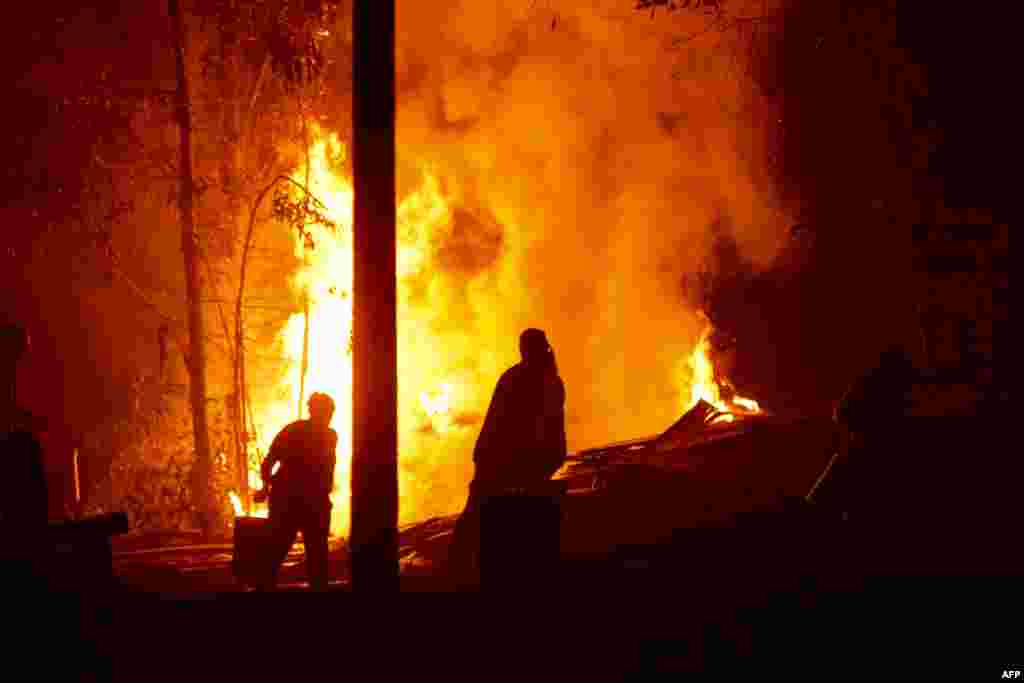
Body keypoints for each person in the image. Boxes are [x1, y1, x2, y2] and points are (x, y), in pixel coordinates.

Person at [447, 328, 567, 578]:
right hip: (503, 460)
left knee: (491, 516)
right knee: (487, 514)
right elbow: (511, 425)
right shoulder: (532, 379)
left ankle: (464, 566)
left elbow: (548, 426)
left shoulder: (530, 379)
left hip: (511, 461)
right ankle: (459, 566)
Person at [257, 391, 338, 591]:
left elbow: (268, 462)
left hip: (295, 500)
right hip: (301, 501)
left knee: (284, 549)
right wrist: (268, 485)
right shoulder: (327, 436)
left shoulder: (302, 431)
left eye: (329, 413)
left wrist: (267, 485)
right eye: (327, 412)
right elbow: (269, 461)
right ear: (319, 411)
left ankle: (264, 586)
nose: (328, 417)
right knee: (307, 552)